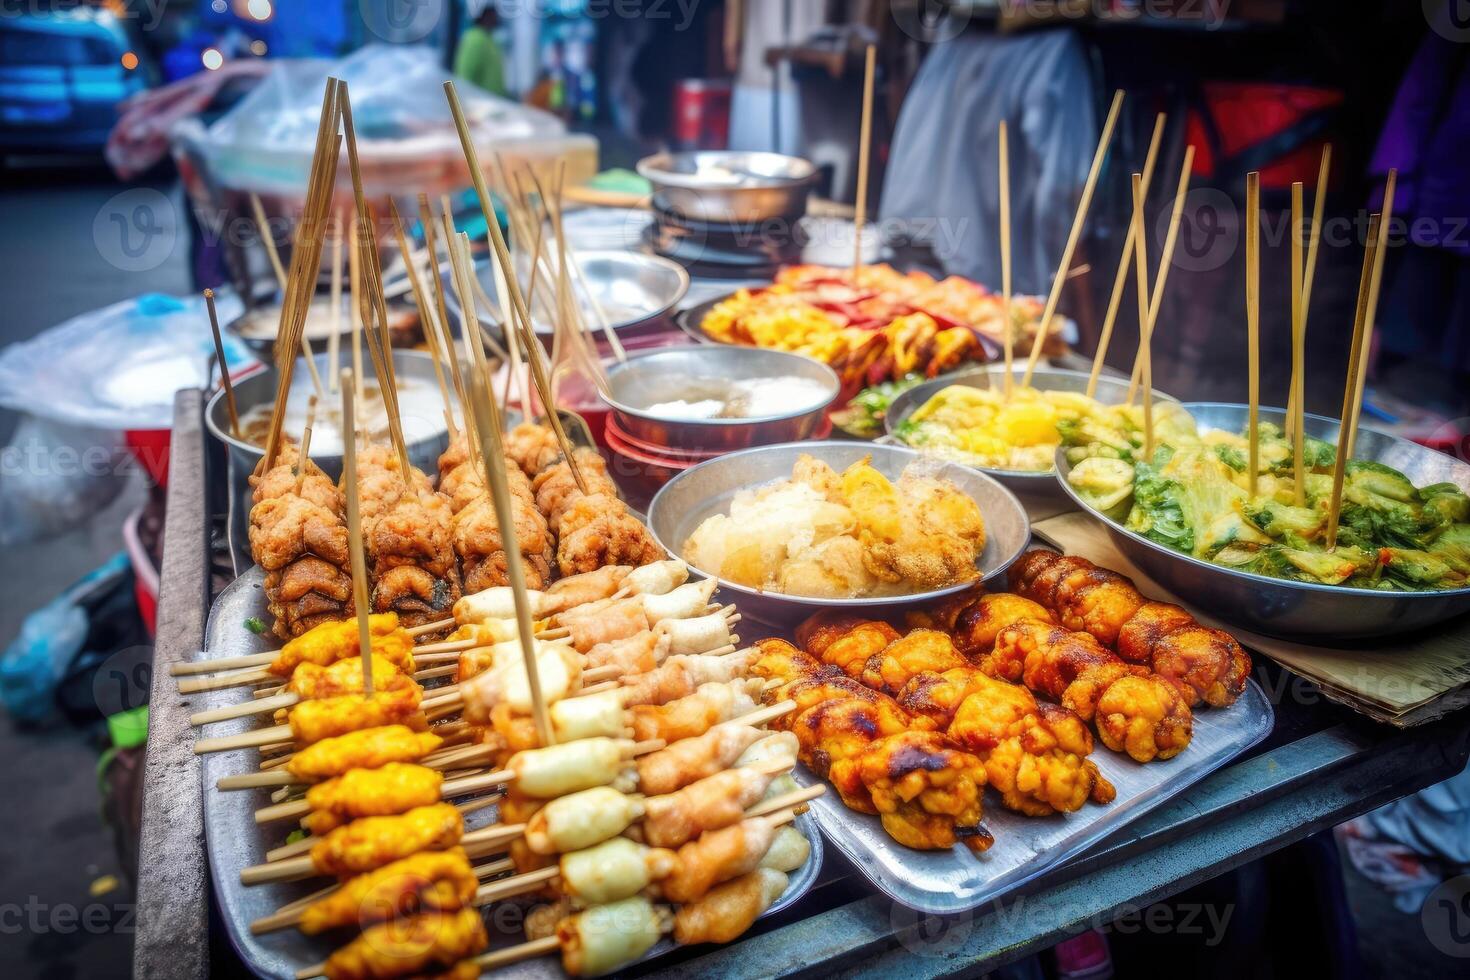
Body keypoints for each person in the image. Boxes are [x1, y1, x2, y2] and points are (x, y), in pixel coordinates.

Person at [455, 0, 508, 98]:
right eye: (493, 13)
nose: (496, 16)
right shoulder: (475, 39)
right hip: (479, 105)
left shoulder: (489, 38)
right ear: (484, 15)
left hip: (491, 105)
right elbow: (465, 77)